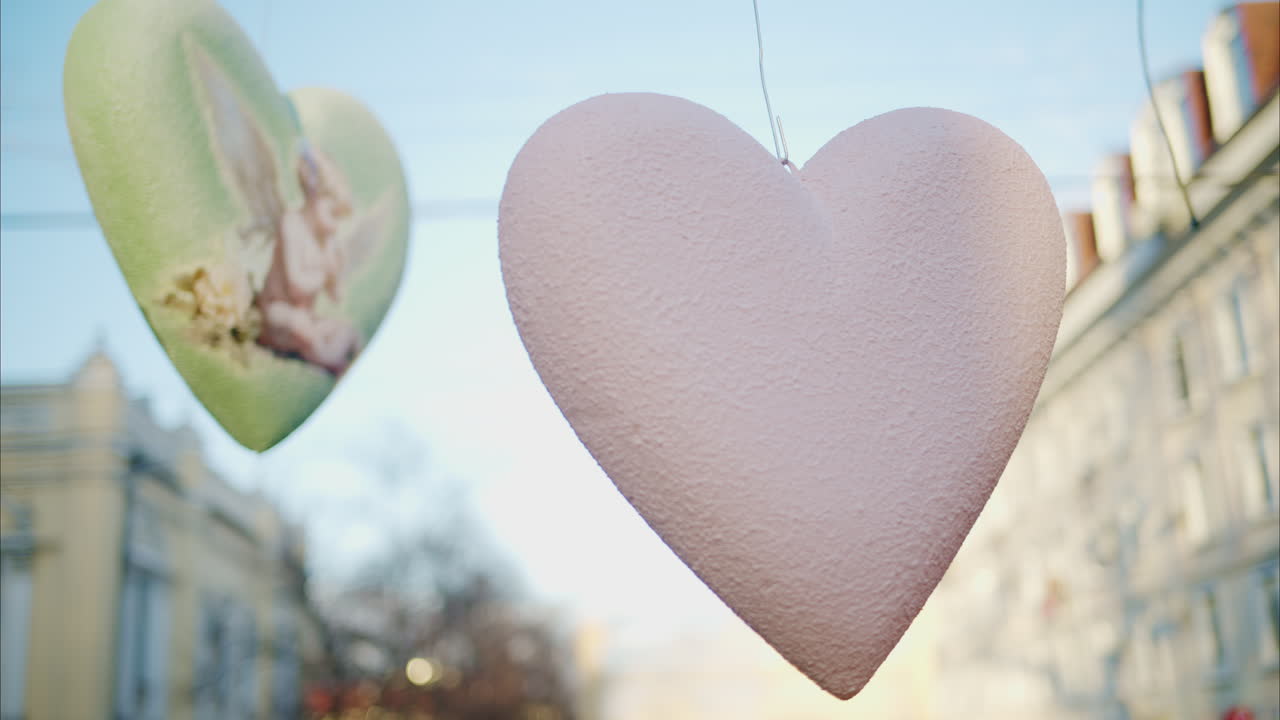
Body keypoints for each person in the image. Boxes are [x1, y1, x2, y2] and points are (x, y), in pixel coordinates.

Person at [253, 144, 362, 376]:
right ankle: (327, 359)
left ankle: (323, 352)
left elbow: (336, 296)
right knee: (300, 327)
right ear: (315, 199)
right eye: (333, 213)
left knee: (348, 333)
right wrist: (325, 272)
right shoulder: (292, 224)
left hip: (307, 317)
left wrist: (336, 274)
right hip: (278, 310)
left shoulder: (328, 242)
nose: (334, 226)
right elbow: (296, 286)